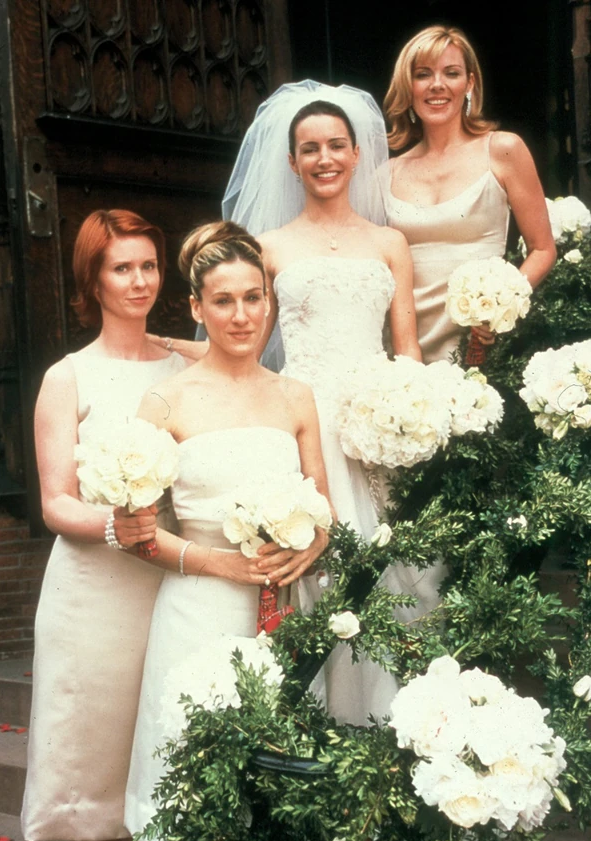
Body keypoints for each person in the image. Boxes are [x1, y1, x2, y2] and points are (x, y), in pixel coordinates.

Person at [122, 221, 330, 841]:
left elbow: (322, 512)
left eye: (253, 298)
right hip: (198, 611)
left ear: (269, 300)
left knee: (270, 804)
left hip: (280, 612)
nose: (242, 316)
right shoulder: (166, 401)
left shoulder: (295, 396)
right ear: (196, 307)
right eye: (223, 300)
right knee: (191, 800)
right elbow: (134, 532)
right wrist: (219, 564)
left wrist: (307, 550)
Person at [221, 81, 424, 725]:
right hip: (305, 425)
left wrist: (414, 416)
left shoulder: (390, 244)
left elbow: (408, 350)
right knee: (317, 568)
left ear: (358, 153)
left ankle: (388, 725)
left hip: (376, 426)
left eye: (337, 145)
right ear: (291, 162)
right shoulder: (269, 247)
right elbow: (245, 343)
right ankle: (322, 725)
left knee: (390, 571)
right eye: (310, 149)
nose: (324, 158)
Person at [20, 210, 188, 841]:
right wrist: (120, 525)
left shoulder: (185, 368)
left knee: (152, 760)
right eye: (122, 268)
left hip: (166, 590)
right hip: (91, 594)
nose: (140, 280)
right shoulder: (68, 377)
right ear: (92, 281)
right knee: (90, 764)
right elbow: (55, 502)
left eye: (149, 266)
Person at [384, 24, 556, 364]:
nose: (437, 85)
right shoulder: (385, 174)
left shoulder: (503, 150)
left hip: (481, 346)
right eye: (423, 74)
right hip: (404, 352)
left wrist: (501, 305)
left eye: (451, 73)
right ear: (408, 86)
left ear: (470, 83)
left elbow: (543, 249)